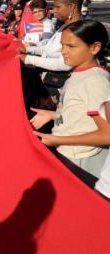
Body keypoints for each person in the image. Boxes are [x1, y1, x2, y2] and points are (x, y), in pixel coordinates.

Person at [30, 20, 110, 179]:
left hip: (82, 159)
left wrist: (56, 139)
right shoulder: (79, 72)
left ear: (94, 48)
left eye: (71, 46)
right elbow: (83, 110)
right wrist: (52, 115)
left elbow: (107, 134)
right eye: (62, 45)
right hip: (69, 151)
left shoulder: (95, 81)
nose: (64, 52)